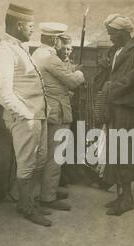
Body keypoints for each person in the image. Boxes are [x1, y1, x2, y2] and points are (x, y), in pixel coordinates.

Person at [0, 4, 52, 226]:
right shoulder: (3, 51)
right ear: (18, 25)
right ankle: (26, 208)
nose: (33, 30)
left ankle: (31, 201)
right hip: (25, 118)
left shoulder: (21, 47)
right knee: (27, 163)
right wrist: (26, 115)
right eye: (31, 26)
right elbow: (3, 93)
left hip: (37, 116)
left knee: (40, 160)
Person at [96, 14, 134, 216]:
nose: (110, 37)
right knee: (116, 152)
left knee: (126, 152)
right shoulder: (119, 51)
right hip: (116, 108)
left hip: (128, 110)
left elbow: (130, 82)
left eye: (112, 34)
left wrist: (110, 88)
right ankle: (121, 196)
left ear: (123, 33)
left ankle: (127, 199)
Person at [32, 23, 85, 211]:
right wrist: (79, 72)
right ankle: (48, 197)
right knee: (55, 155)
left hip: (46, 110)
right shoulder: (51, 58)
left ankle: (49, 189)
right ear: (55, 40)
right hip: (56, 112)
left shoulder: (37, 54)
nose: (62, 45)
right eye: (61, 40)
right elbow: (72, 82)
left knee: (48, 154)